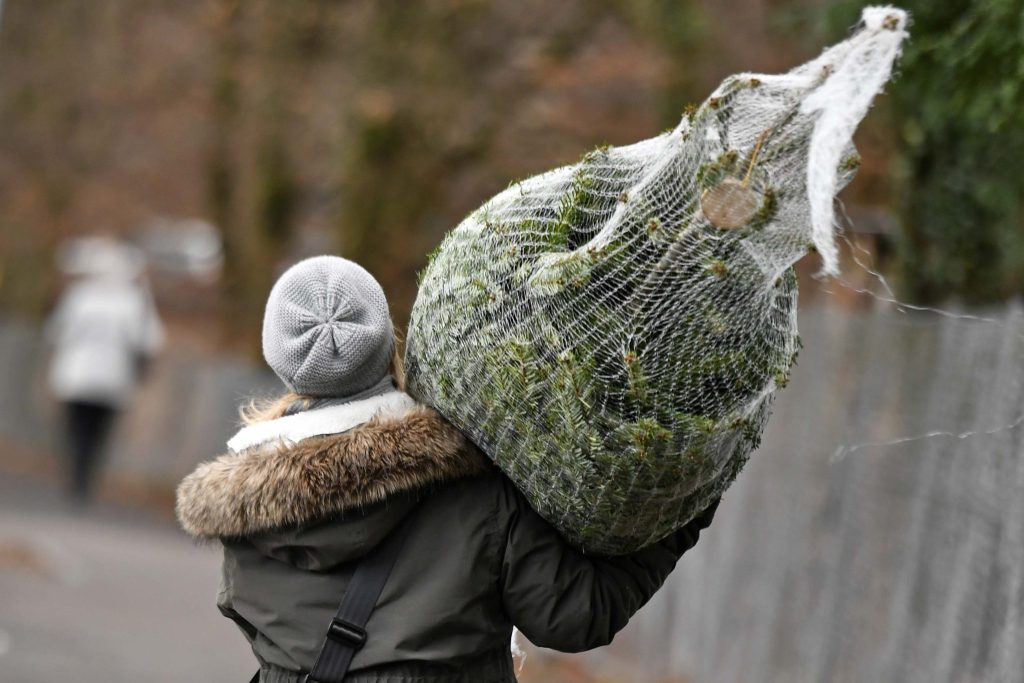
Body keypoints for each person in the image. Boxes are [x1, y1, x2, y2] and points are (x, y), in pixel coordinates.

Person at [176, 255, 718, 683]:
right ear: (389, 339)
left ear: (281, 359)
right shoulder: (477, 482)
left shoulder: (243, 510)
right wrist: (682, 508)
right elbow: (574, 614)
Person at [46, 239, 164, 501]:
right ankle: (85, 481)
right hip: (113, 380)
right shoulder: (133, 302)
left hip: (75, 376)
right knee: (98, 433)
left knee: (77, 429)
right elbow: (149, 341)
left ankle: (75, 477)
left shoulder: (80, 295)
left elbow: (56, 333)